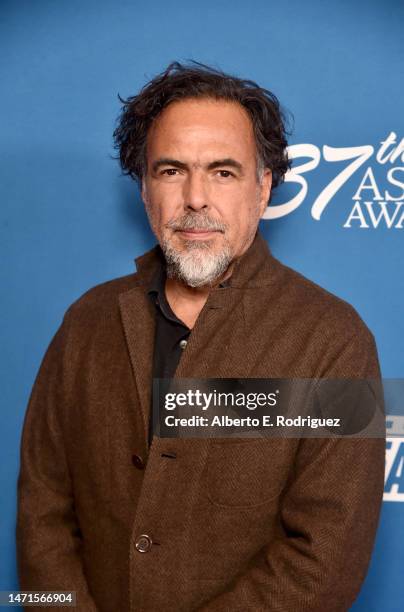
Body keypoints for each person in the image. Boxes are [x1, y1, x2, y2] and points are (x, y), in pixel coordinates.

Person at [17, 62, 385, 611]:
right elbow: (42, 511)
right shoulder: (85, 323)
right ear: (144, 189)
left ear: (263, 189)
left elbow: (323, 561)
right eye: (171, 170)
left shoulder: (334, 339)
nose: (195, 198)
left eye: (223, 172)